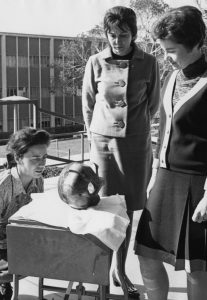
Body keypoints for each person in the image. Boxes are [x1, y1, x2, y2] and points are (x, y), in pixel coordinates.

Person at [134, 6, 207, 300]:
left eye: (172, 50)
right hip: (164, 179)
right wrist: (154, 176)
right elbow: (164, 131)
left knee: (194, 267)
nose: (166, 56)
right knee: (147, 254)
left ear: (197, 45)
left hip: (198, 186)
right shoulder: (171, 78)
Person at [82, 5, 160, 297]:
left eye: (123, 35)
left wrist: (134, 126)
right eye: (112, 35)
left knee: (125, 211)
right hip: (103, 144)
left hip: (135, 144)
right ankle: (103, 269)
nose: (117, 40)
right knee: (104, 209)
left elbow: (153, 105)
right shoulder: (94, 61)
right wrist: (94, 140)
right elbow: (88, 104)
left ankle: (121, 269)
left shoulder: (149, 62)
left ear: (134, 34)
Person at [0, 127, 50, 300]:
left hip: (14, 241)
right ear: (18, 158)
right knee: (28, 264)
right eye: (35, 158)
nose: (42, 163)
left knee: (48, 256)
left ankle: (1, 280)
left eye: (44, 157)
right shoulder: (1, 187)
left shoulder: (38, 180)